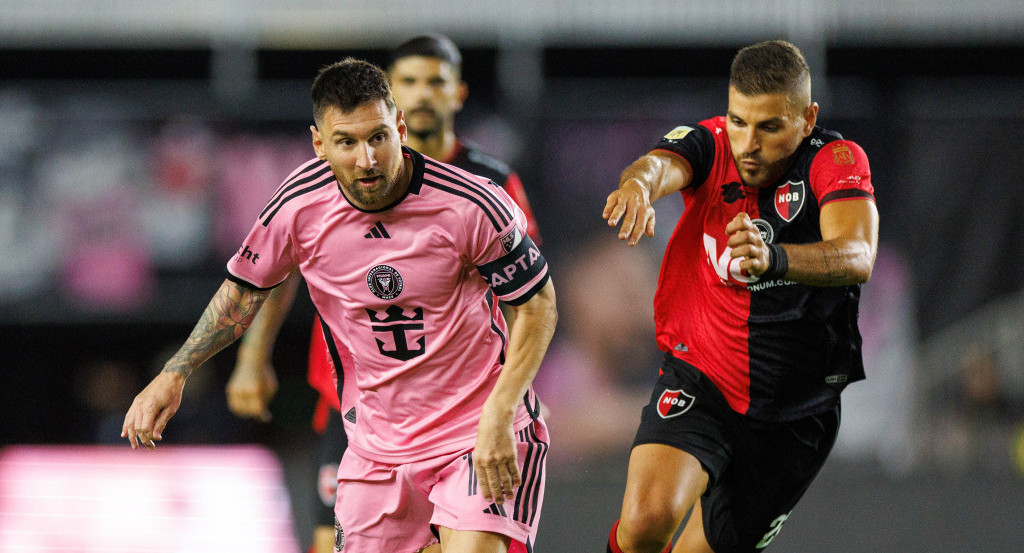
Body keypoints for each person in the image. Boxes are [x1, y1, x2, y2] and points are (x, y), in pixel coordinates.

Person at [123, 57, 557, 553]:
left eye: (377, 138)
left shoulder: (472, 203)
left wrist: (501, 411)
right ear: (319, 144)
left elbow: (538, 306)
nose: (366, 160)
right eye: (347, 143)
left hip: (475, 432)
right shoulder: (298, 206)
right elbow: (245, 291)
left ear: (400, 128)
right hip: (376, 445)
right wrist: (174, 373)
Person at [601, 40, 878, 553]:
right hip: (702, 377)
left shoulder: (835, 160)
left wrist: (775, 257)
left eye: (769, 126)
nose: (748, 143)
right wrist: (638, 186)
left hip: (796, 412)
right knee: (644, 523)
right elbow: (658, 165)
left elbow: (858, 255)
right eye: (738, 120)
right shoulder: (711, 144)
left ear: (807, 118)